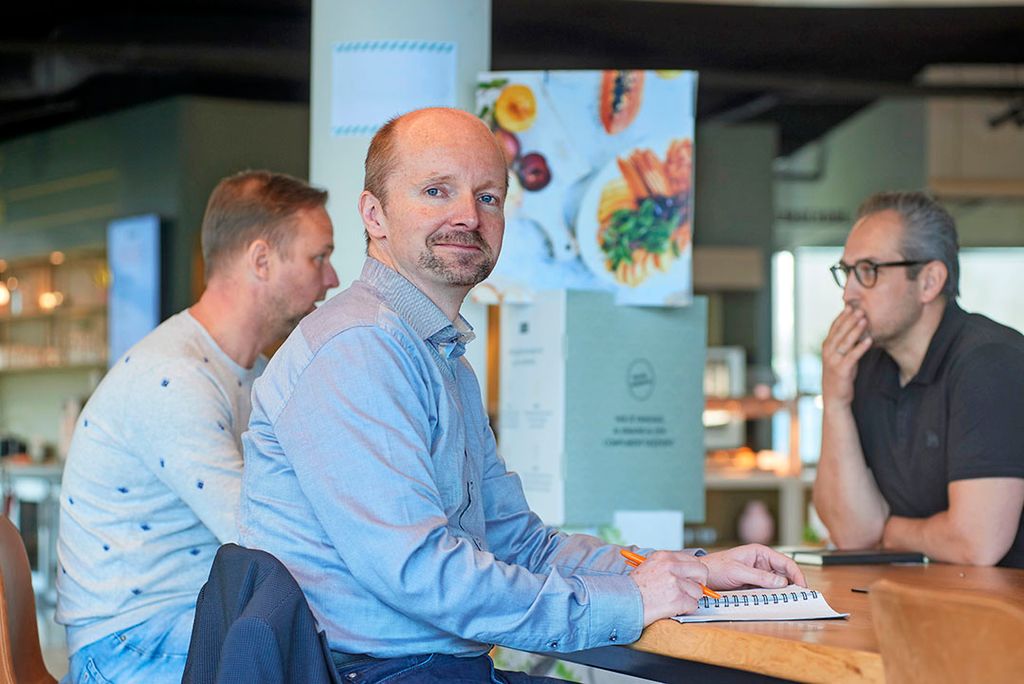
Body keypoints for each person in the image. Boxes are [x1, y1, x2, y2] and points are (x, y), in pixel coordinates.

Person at [239, 107, 804, 683]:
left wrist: (688, 571)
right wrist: (628, 601)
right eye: (437, 190)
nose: (467, 215)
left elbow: (519, 543)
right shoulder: (359, 348)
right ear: (374, 214)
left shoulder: (437, 355)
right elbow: (420, 573)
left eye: (489, 198)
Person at [56, 170, 340, 684]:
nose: (332, 278)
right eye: (318, 257)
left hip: (189, 622)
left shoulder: (251, 376)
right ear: (261, 260)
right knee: (331, 659)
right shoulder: (173, 378)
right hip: (127, 645)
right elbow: (260, 537)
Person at [814, 191, 1024, 568]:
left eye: (869, 271)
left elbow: (976, 544)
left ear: (929, 281)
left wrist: (889, 531)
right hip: (916, 603)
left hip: (1004, 616)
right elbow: (852, 534)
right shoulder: (865, 367)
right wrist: (835, 401)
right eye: (846, 272)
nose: (848, 293)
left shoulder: (989, 363)